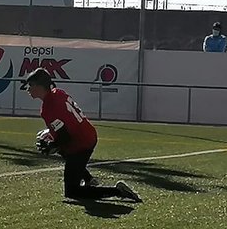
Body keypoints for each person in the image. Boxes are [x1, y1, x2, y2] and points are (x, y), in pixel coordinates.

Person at [22, 67, 142, 204]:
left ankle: (118, 191)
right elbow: (66, 122)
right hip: (87, 133)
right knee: (63, 151)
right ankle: (89, 179)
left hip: (80, 143)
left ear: (40, 86)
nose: (28, 88)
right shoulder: (58, 93)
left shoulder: (48, 108)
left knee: (72, 192)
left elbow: (65, 138)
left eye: (31, 85)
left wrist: (51, 145)